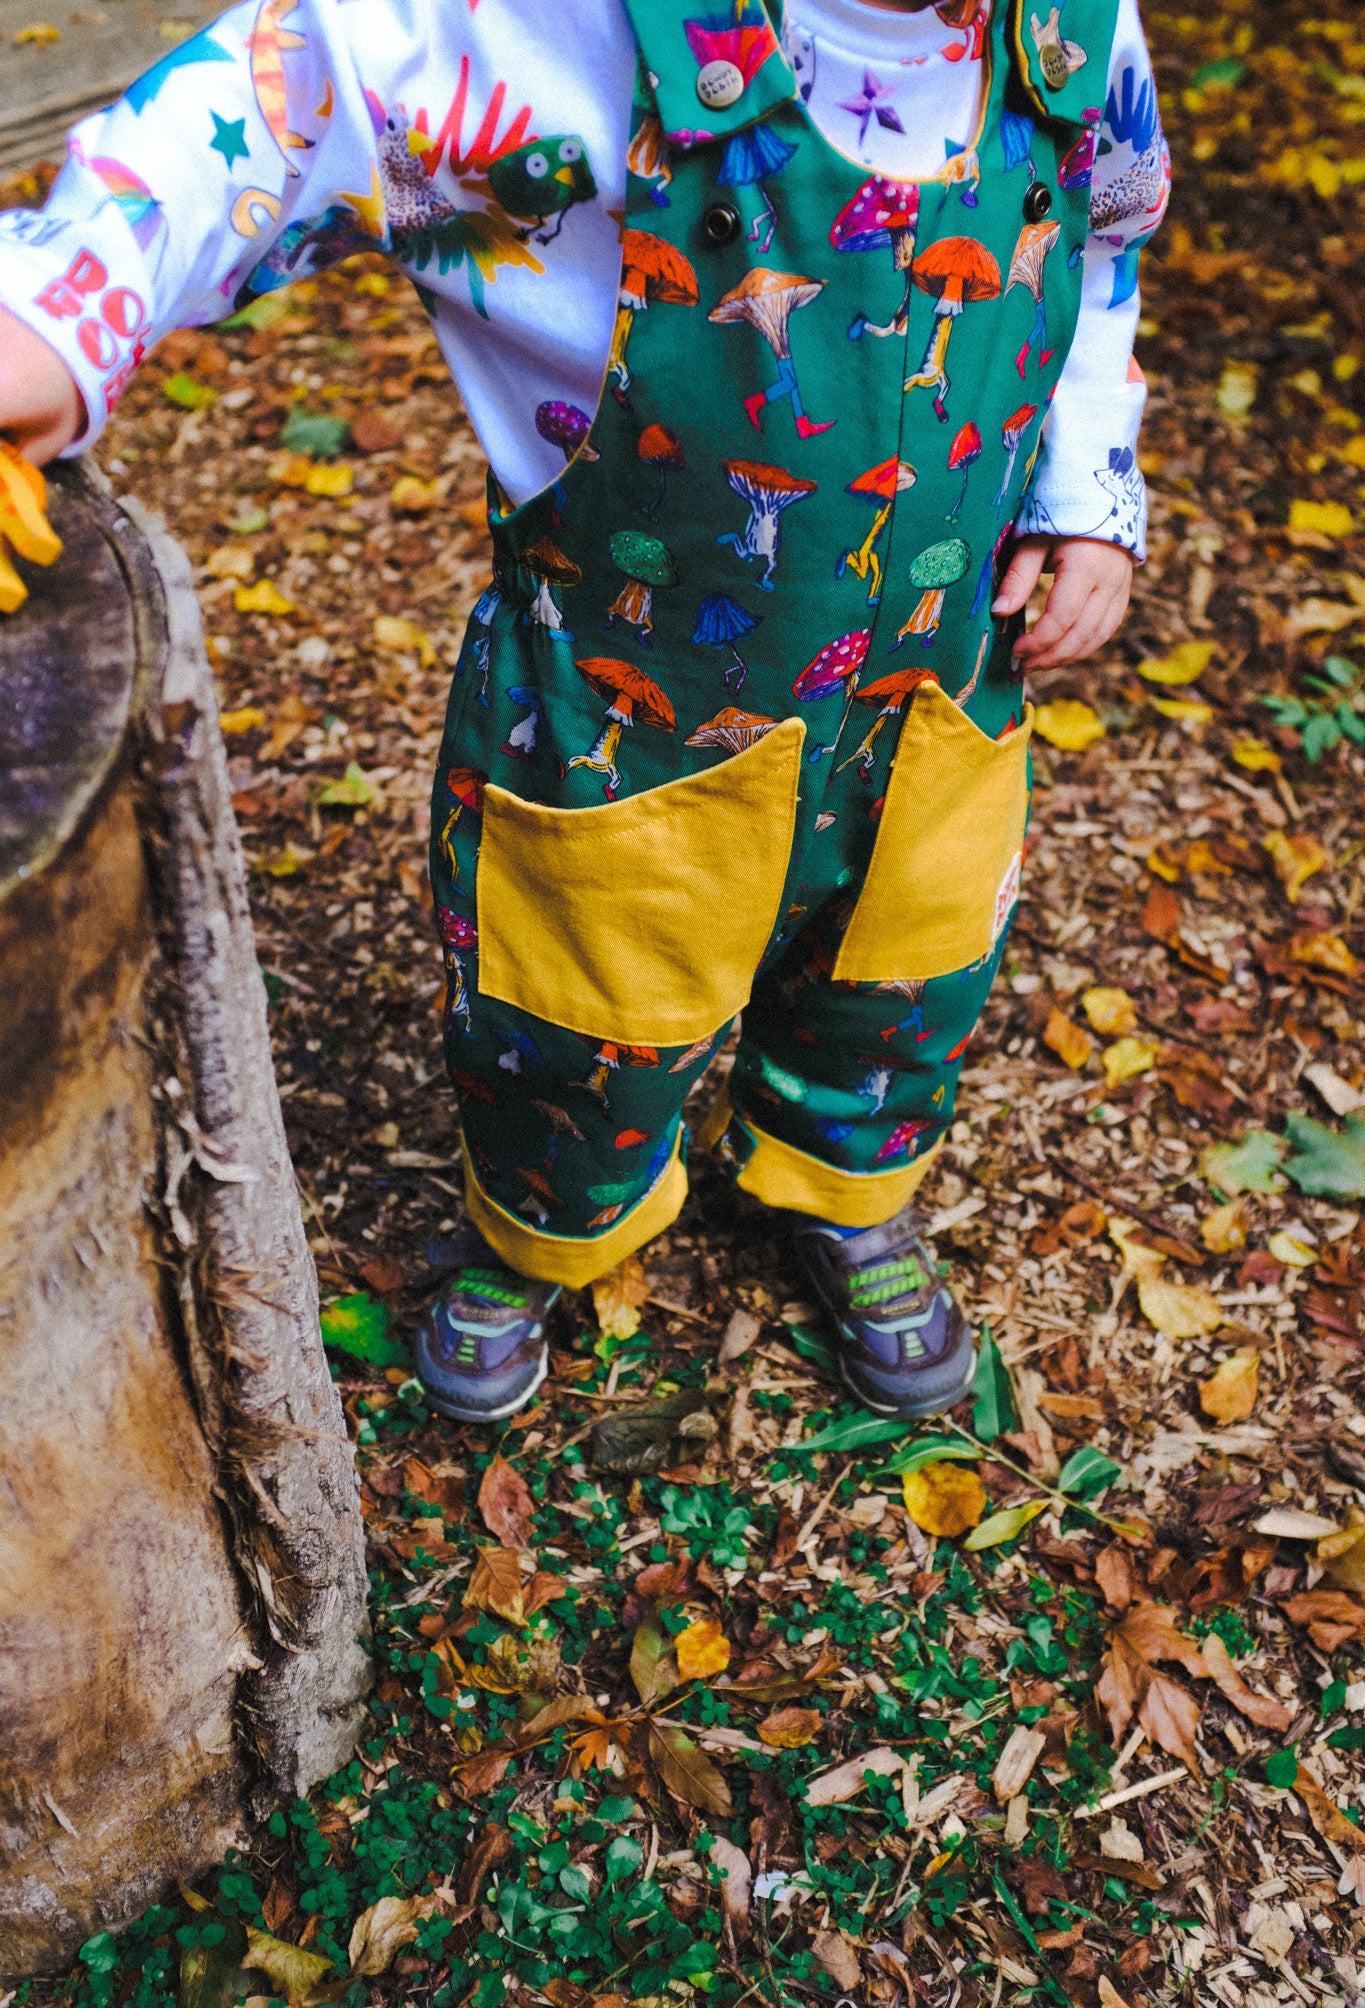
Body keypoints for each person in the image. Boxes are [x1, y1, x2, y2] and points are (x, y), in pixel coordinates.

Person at [0, 0, 1168, 1425]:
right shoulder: (550, 37)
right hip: (632, 693)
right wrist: (53, 312)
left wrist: (1086, 487)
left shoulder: (1071, 33)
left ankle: (844, 1180)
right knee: (575, 1011)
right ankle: (542, 1229)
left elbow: (1100, 238)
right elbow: (293, 91)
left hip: (936, 675)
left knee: (901, 961)